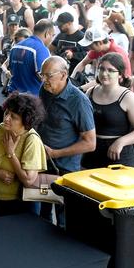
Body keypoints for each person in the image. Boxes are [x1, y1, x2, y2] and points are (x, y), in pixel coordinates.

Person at [37, 56, 96, 225]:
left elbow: (90, 143)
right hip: (44, 166)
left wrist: (55, 153)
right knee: (43, 210)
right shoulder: (45, 89)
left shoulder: (79, 101)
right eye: (42, 75)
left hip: (65, 170)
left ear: (63, 75)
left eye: (49, 75)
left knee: (64, 218)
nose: (44, 80)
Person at [0, 92, 47, 217]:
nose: (6, 118)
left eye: (13, 116)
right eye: (6, 113)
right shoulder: (1, 129)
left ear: (26, 120)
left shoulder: (31, 140)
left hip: (19, 204)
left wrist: (11, 154)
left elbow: (29, 180)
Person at [81, 53, 134, 169]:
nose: (104, 73)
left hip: (118, 156)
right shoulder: (90, 92)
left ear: (120, 75)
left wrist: (121, 142)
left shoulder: (128, 97)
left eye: (110, 70)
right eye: (101, 69)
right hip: (91, 155)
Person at [7, 19, 54, 94]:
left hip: (13, 95)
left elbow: (11, 70)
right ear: (47, 34)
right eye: (52, 35)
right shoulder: (41, 49)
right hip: (31, 99)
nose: (52, 39)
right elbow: (44, 76)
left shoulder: (15, 47)